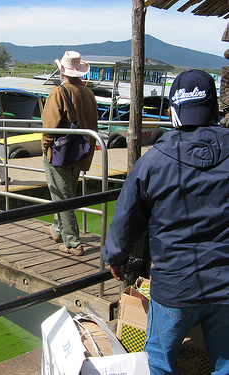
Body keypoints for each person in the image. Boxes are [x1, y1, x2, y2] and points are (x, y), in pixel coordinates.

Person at [103, 69, 229, 375]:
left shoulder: (153, 160)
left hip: (176, 284)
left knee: (158, 362)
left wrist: (117, 258)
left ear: (173, 112)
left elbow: (125, 218)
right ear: (215, 108)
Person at [41, 51, 98, 256]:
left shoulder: (58, 92)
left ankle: (73, 243)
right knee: (67, 191)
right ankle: (57, 230)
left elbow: (50, 127)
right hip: (82, 151)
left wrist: (45, 147)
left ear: (62, 72)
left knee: (62, 195)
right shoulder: (89, 93)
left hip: (61, 153)